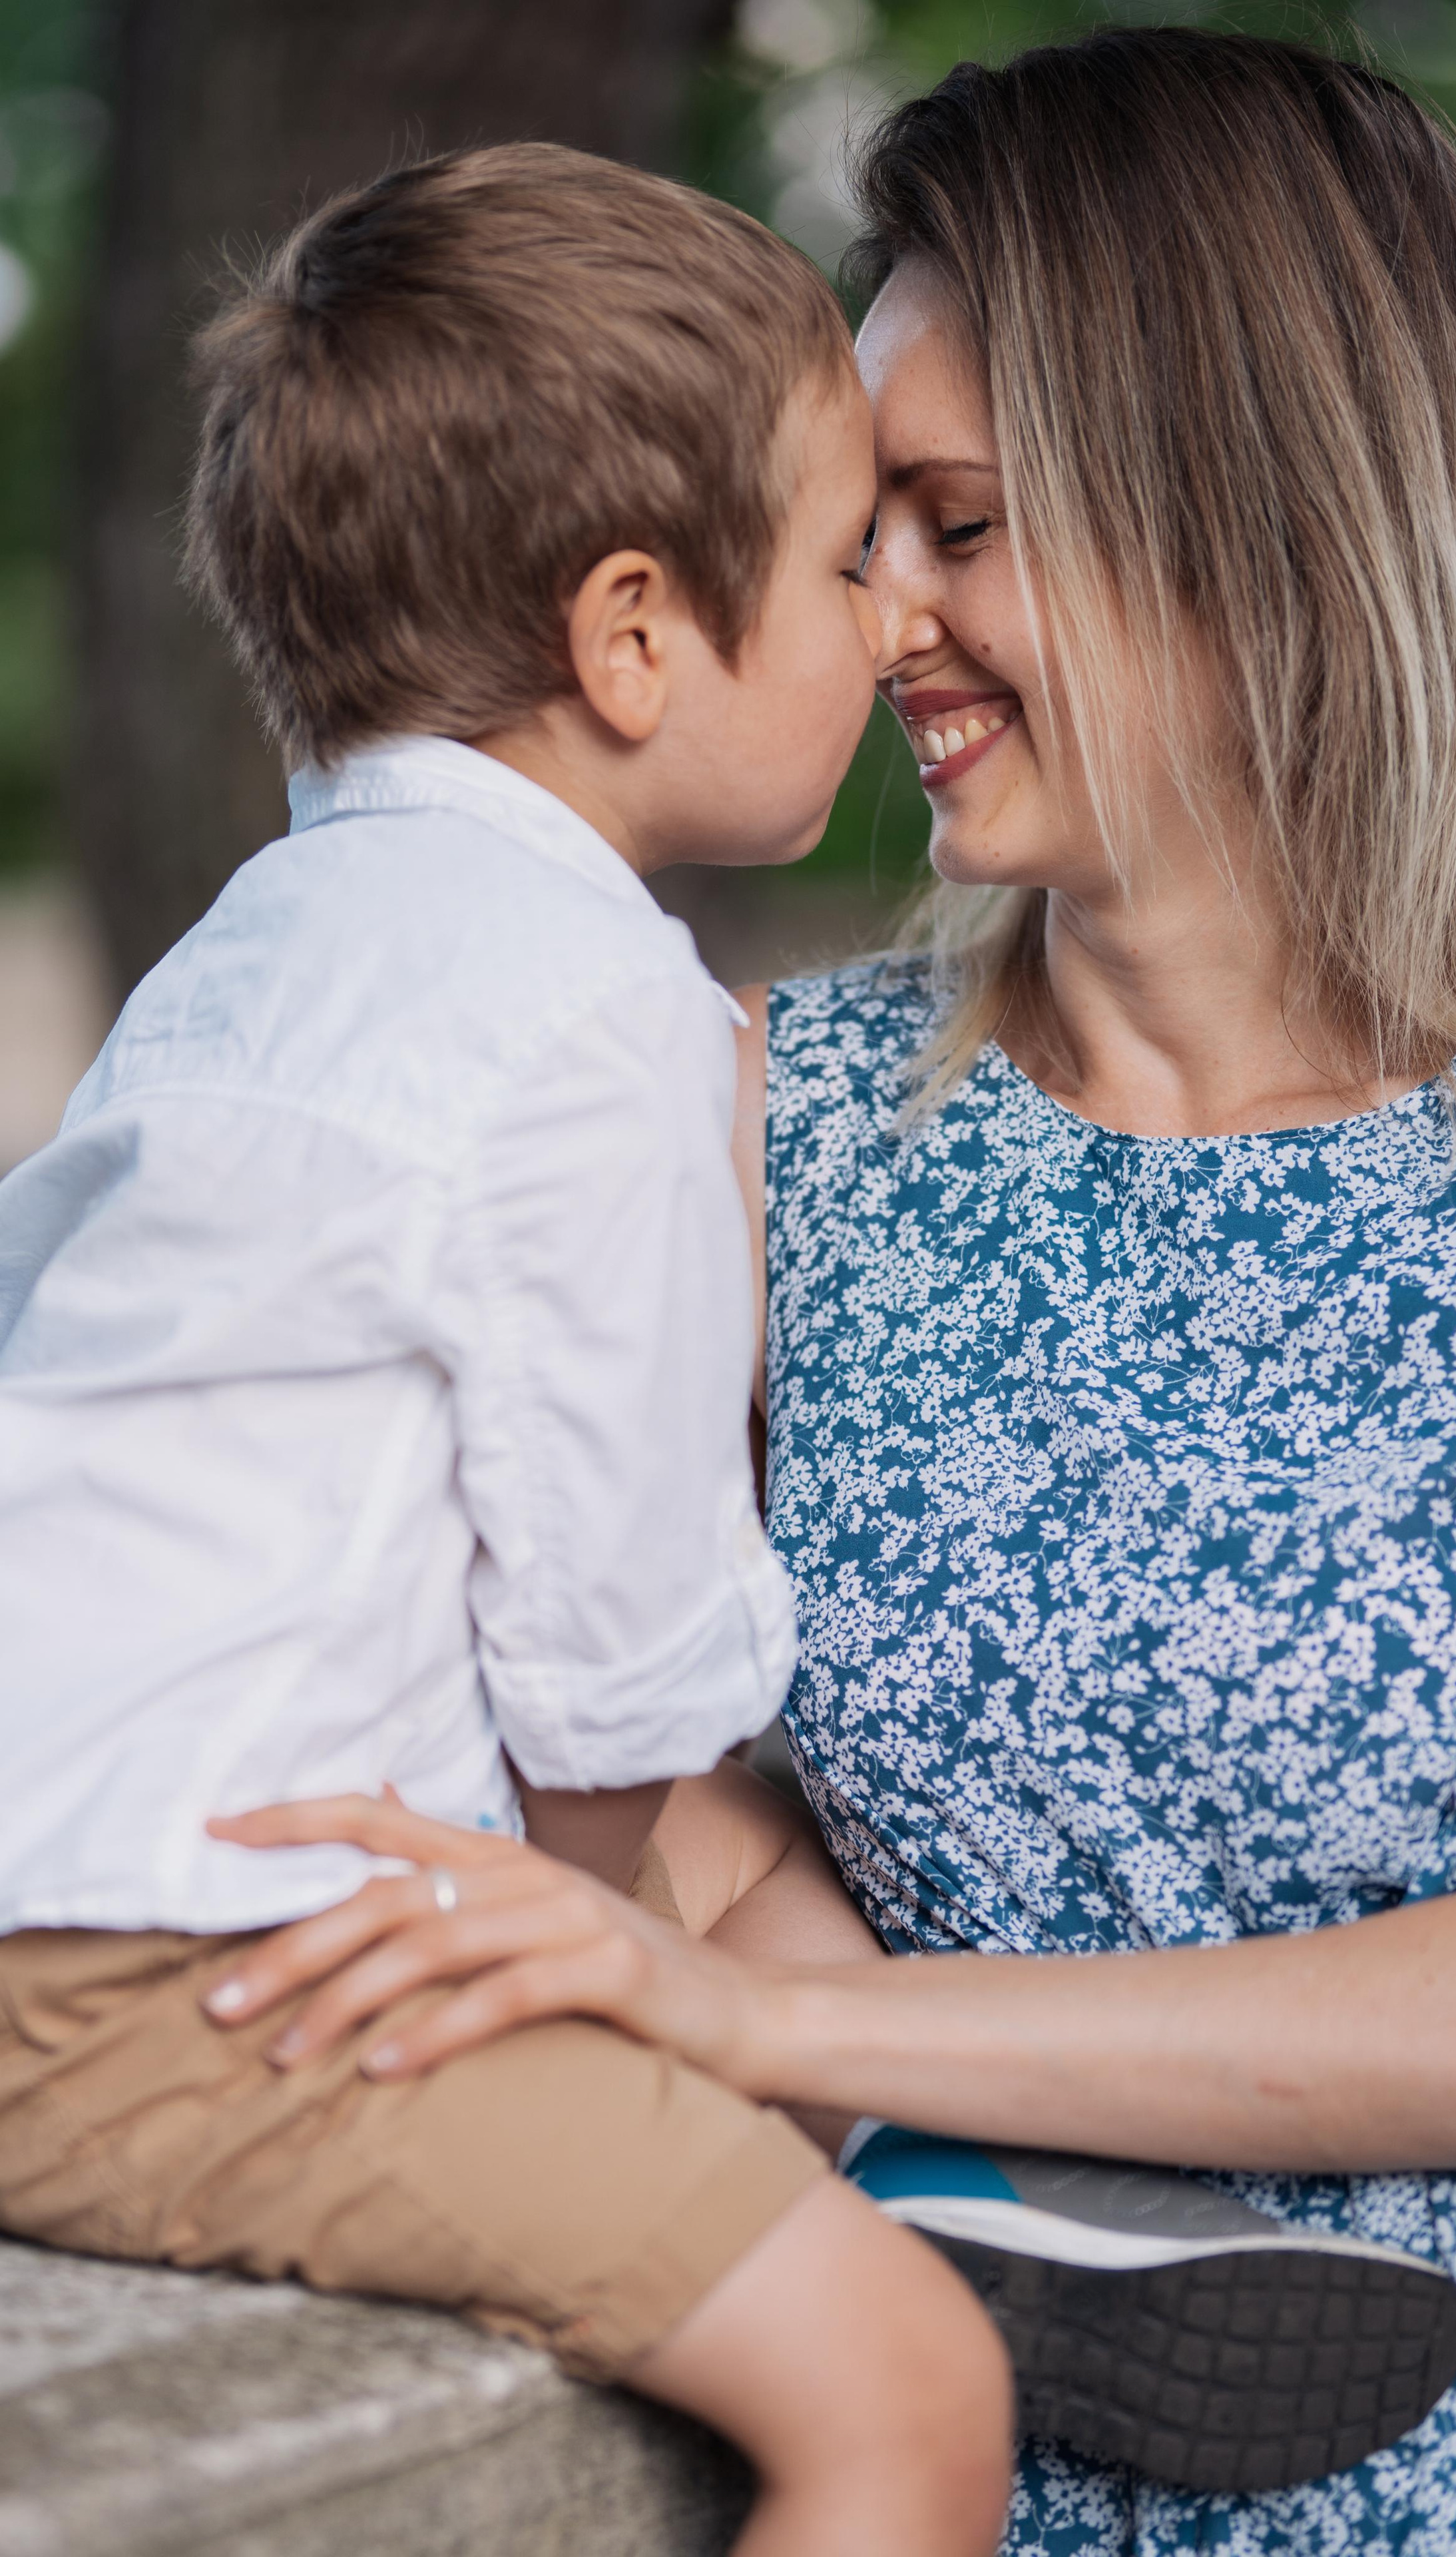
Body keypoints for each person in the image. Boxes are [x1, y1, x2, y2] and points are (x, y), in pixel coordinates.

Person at [178, 30, 1456, 2557]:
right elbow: (586, 1738)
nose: (875, 617)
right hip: (936, 2470)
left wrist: (778, 2015)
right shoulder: (748, 1116)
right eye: (855, 531)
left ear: (1261, 515)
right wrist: (727, 1922)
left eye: (955, 524)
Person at [0, 144, 1016, 2557]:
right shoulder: (589, 1018)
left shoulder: (258, 949)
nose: (895, 617)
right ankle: (931, 2244)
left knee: (750, 1957)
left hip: (72, 1886)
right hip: (185, 1981)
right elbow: (614, 1651)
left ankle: (888, 2193)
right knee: (909, 2397)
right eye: (847, 554)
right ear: (635, 633)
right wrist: (579, 1945)